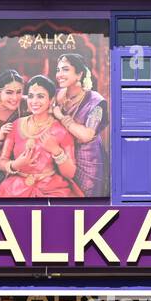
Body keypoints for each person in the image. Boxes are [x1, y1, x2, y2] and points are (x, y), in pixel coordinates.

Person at [0, 75, 81, 198]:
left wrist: (56, 151)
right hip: (15, 188)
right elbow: (3, 161)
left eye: (40, 96)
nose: (34, 101)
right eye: (30, 96)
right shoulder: (16, 125)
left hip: (51, 189)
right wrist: (16, 164)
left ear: (51, 100)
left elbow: (71, 173)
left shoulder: (60, 130)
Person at [52, 53, 109, 196]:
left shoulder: (95, 101)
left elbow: (86, 135)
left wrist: (60, 116)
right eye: (58, 70)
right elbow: (36, 100)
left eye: (65, 69)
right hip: (63, 158)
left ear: (79, 74)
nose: (59, 74)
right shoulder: (58, 95)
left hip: (88, 161)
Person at [0, 69, 25, 190]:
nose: (15, 97)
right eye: (9, 92)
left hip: (24, 158)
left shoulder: (27, 104)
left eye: (19, 92)